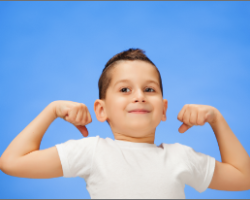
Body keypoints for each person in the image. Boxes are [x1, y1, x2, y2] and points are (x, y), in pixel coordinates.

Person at [1, 48, 250, 198]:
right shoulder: (92, 151)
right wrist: (52, 110)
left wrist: (216, 119)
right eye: (125, 89)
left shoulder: (181, 157)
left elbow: (244, 178)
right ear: (101, 109)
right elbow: (12, 162)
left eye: (149, 89)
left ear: (163, 110)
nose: (139, 95)